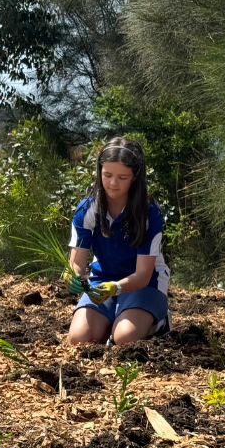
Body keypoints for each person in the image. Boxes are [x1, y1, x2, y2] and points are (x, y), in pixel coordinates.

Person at [65, 137, 171, 346]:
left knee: (124, 338)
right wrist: (73, 276)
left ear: (135, 177)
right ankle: (116, 317)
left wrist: (115, 288)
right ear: (99, 172)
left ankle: (158, 321)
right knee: (79, 339)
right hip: (101, 280)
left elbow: (143, 274)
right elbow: (76, 262)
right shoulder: (86, 209)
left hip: (145, 284)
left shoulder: (148, 213)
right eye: (107, 175)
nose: (113, 183)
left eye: (122, 177)